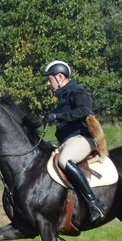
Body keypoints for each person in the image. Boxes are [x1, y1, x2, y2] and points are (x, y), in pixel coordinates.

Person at [42, 60, 105, 223]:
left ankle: (94, 203)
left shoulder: (77, 91)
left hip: (82, 139)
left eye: (50, 79)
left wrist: (57, 116)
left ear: (60, 77)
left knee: (64, 160)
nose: (48, 84)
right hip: (67, 141)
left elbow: (85, 110)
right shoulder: (62, 96)